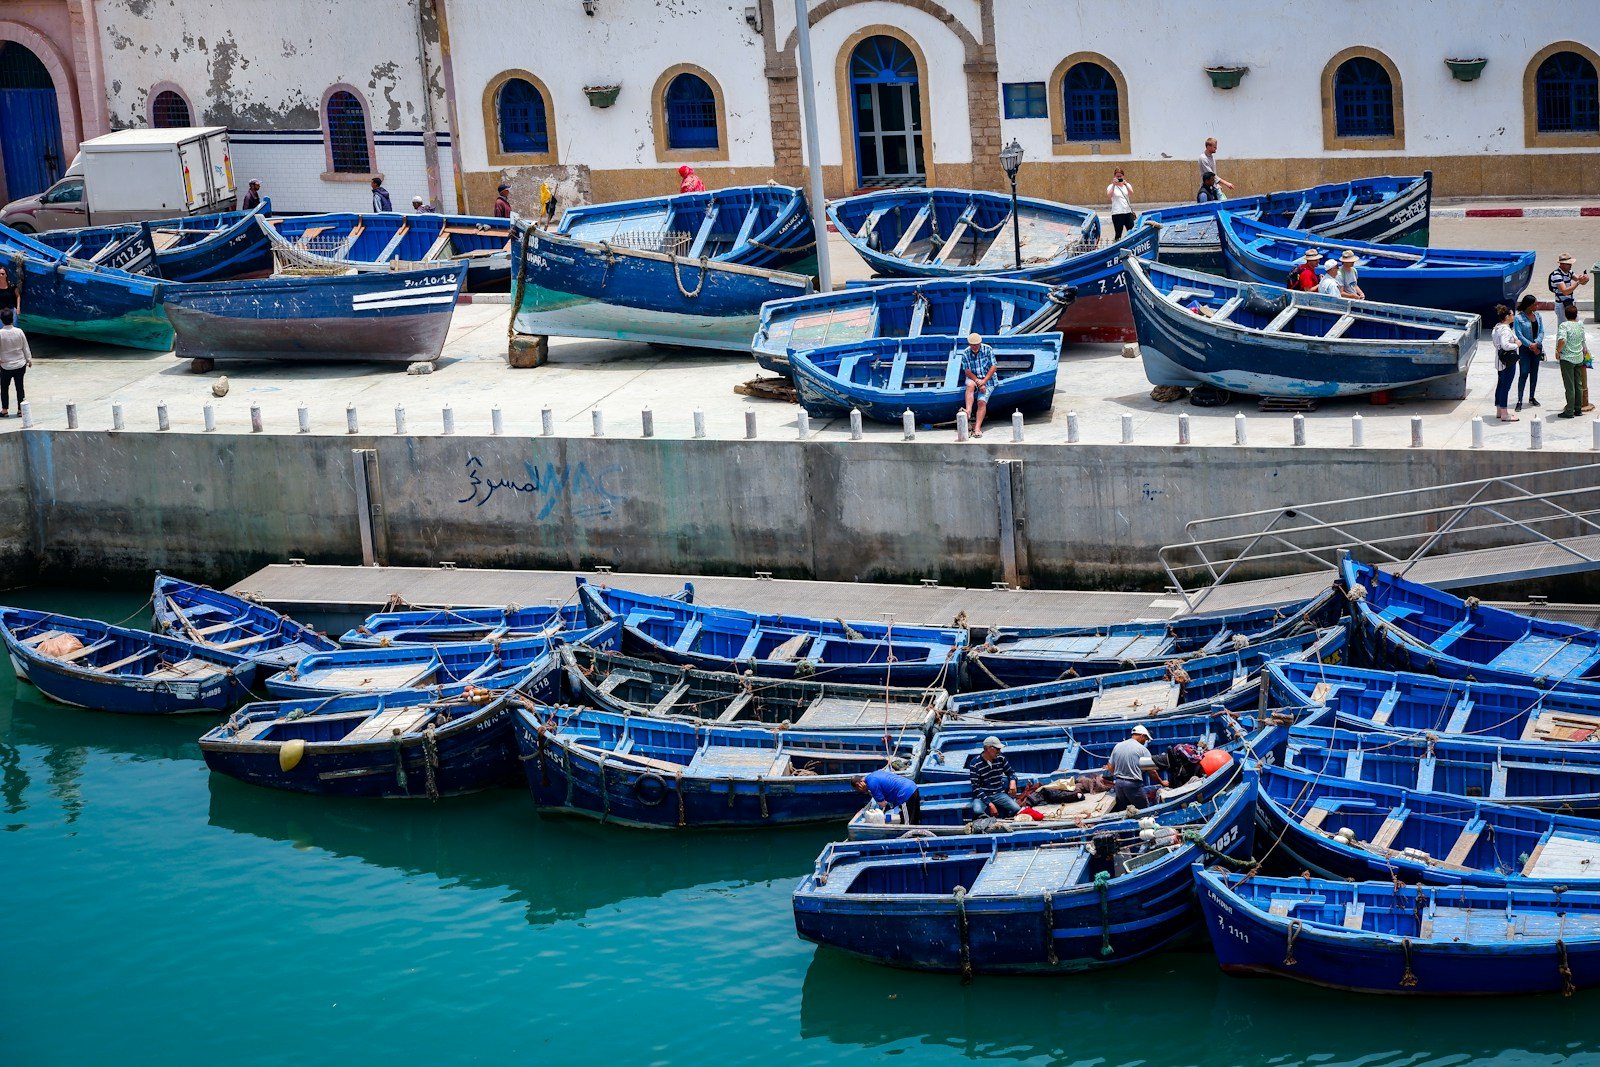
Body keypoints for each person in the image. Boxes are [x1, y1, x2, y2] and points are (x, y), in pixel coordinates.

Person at [1105, 723, 1167, 813]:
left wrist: (1120, 775)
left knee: (1125, 812)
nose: (1145, 741)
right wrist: (1161, 782)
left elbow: (1110, 767)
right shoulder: (1142, 750)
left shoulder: (1118, 746)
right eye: (1145, 739)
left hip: (1118, 785)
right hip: (1133, 785)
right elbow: (1152, 771)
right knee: (1145, 812)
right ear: (1141, 736)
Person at [965, 735, 1019, 818]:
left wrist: (1012, 781)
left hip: (999, 793)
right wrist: (990, 804)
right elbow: (976, 788)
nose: (999, 751)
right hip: (982, 796)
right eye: (997, 749)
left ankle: (1007, 819)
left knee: (1016, 808)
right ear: (988, 748)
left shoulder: (1001, 758)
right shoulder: (975, 763)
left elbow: (1011, 772)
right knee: (978, 811)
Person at [1556, 301, 1591, 419]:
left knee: (1569, 386)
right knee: (1578, 385)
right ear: (1576, 315)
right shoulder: (1580, 324)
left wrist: (1558, 351)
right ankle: (1578, 409)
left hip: (1567, 359)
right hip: (1579, 358)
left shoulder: (1564, 325)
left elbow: (1562, 340)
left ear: (1565, 315)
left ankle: (1569, 411)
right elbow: (1583, 341)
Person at [960, 332, 997, 439]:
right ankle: (968, 411)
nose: (975, 347)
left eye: (977, 344)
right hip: (974, 378)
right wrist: (977, 381)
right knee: (970, 386)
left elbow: (994, 367)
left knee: (981, 402)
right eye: (973, 345)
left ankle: (977, 428)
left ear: (980, 343)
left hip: (988, 379)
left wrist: (984, 382)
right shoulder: (966, 353)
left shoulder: (987, 349)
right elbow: (967, 371)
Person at [1512, 293, 1546, 412]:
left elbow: (1541, 331)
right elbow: (1519, 334)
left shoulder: (1538, 316)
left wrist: (1536, 342)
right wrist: (1530, 344)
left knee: (1534, 373)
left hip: (1537, 347)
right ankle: (1520, 399)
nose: (1537, 306)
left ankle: (1532, 397)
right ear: (1529, 305)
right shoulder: (1518, 318)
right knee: (1524, 372)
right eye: (1535, 304)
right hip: (1525, 350)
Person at [853, 768, 921, 824]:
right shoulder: (874, 775)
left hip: (905, 793)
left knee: (908, 823)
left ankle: (909, 838)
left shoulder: (872, 784)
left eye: (859, 789)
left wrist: (876, 797)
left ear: (859, 784)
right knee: (915, 817)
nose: (862, 791)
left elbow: (883, 804)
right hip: (913, 787)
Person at [1490, 303, 1520, 423]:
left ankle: (1499, 410)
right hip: (1507, 361)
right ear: (1507, 316)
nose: (1513, 316)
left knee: (1500, 384)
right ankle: (1504, 413)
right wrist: (1516, 344)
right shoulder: (1505, 330)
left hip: (1499, 360)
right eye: (1512, 314)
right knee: (1505, 387)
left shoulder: (1497, 328)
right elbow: (1505, 345)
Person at [0, 308, 32, 419]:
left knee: (4, 387)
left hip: (6, 365)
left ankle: (5, 410)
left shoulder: (0, 334)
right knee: (19, 387)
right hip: (20, 364)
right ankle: (20, 410)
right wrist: (29, 360)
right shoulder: (19, 331)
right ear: (12, 319)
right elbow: (25, 346)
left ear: (2, 320)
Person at [1550, 253, 1590, 329]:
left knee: (1576, 326)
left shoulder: (1569, 272)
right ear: (1562, 264)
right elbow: (1565, 291)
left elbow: (1580, 280)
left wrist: (1585, 279)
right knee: (1563, 329)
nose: (1571, 265)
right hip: (1561, 305)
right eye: (1568, 264)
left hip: (1569, 303)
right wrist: (1578, 282)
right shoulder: (1556, 275)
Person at [1106, 167, 1135, 240]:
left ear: (1123, 176)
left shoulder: (1127, 185)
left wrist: (1126, 184)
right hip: (1117, 213)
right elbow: (1109, 195)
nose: (1119, 178)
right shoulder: (1111, 186)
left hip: (1128, 212)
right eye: (1117, 176)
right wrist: (1113, 185)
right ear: (1114, 176)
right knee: (1118, 234)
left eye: (1120, 176)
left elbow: (1131, 193)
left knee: (1132, 232)